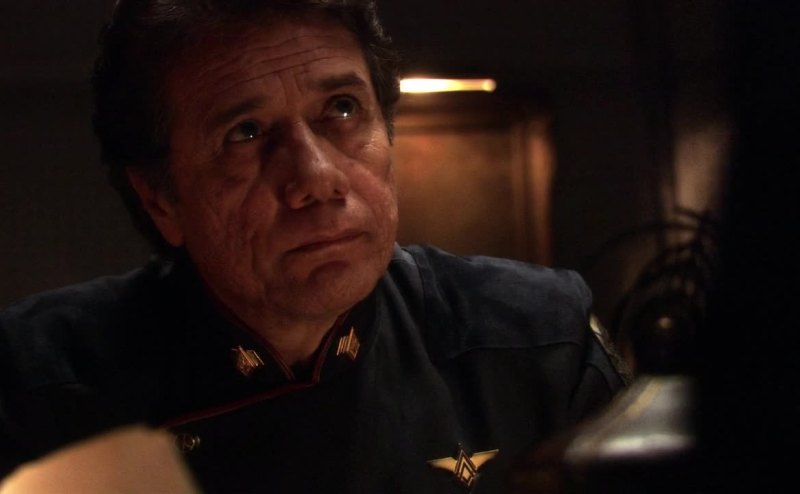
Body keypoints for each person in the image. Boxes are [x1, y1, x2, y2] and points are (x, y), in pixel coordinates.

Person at [0, 1, 626, 492]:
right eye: (245, 133)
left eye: (343, 109)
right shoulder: (35, 386)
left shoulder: (535, 341)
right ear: (161, 198)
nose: (316, 177)